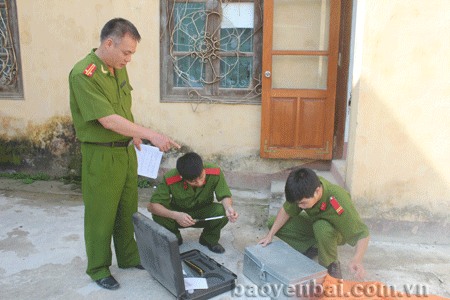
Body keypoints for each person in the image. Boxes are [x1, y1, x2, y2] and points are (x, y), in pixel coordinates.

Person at [69, 18, 180, 290]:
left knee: (127, 209)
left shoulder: (116, 67)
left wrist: (133, 133)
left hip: (126, 152)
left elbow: (121, 109)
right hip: (101, 156)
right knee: (100, 215)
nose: (129, 59)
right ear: (109, 43)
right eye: (126, 52)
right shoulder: (84, 74)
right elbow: (107, 119)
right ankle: (98, 268)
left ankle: (129, 257)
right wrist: (151, 133)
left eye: (132, 53)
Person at [257, 168, 370, 280]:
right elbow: (286, 211)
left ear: (317, 191)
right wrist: (269, 236)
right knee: (274, 224)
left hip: (334, 232)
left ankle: (331, 265)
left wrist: (356, 260)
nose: (300, 206)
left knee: (322, 227)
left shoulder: (338, 198)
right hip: (316, 222)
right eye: (298, 204)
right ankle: (313, 248)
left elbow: (362, 234)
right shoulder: (304, 188)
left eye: (303, 203)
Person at [148, 152, 239, 254]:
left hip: (204, 213)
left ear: (203, 168)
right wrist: (175, 215)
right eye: (193, 181)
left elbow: (225, 196)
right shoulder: (170, 178)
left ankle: (208, 239)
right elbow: (152, 206)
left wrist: (228, 207)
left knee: (222, 211)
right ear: (182, 177)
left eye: (201, 177)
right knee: (159, 214)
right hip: (179, 214)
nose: (199, 183)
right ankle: (174, 239)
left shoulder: (215, 171)